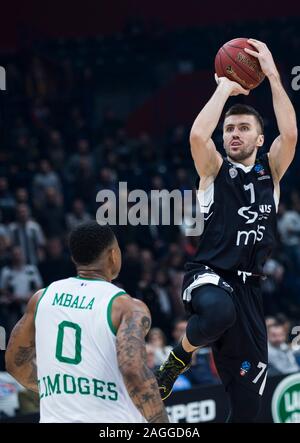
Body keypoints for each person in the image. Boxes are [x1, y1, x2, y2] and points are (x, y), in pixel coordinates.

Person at [156, 39, 298, 422]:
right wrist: (224, 86)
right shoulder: (213, 170)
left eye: (243, 128)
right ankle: (178, 358)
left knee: (249, 407)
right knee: (219, 312)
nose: (234, 133)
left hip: (250, 292)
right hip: (209, 276)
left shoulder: (272, 171)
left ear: (259, 138)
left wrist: (271, 75)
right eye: (230, 128)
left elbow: (291, 132)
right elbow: (198, 137)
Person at [5, 221, 168, 423]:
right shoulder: (127, 307)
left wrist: (63, 391)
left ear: (75, 258)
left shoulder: (41, 298)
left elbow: (15, 363)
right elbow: (133, 370)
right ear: (113, 255)